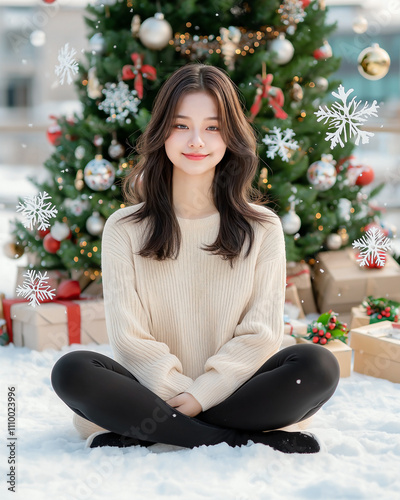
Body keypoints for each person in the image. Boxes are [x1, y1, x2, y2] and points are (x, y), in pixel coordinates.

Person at [51, 63, 340, 453]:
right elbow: (129, 338)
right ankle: (236, 439)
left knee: (317, 366)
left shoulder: (263, 227)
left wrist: (203, 394)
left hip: (238, 392)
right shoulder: (124, 228)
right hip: (154, 394)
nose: (197, 141)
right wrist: (180, 393)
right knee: (73, 371)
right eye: (182, 125)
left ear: (230, 136)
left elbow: (262, 334)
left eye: (213, 127)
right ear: (163, 132)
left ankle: (158, 434)